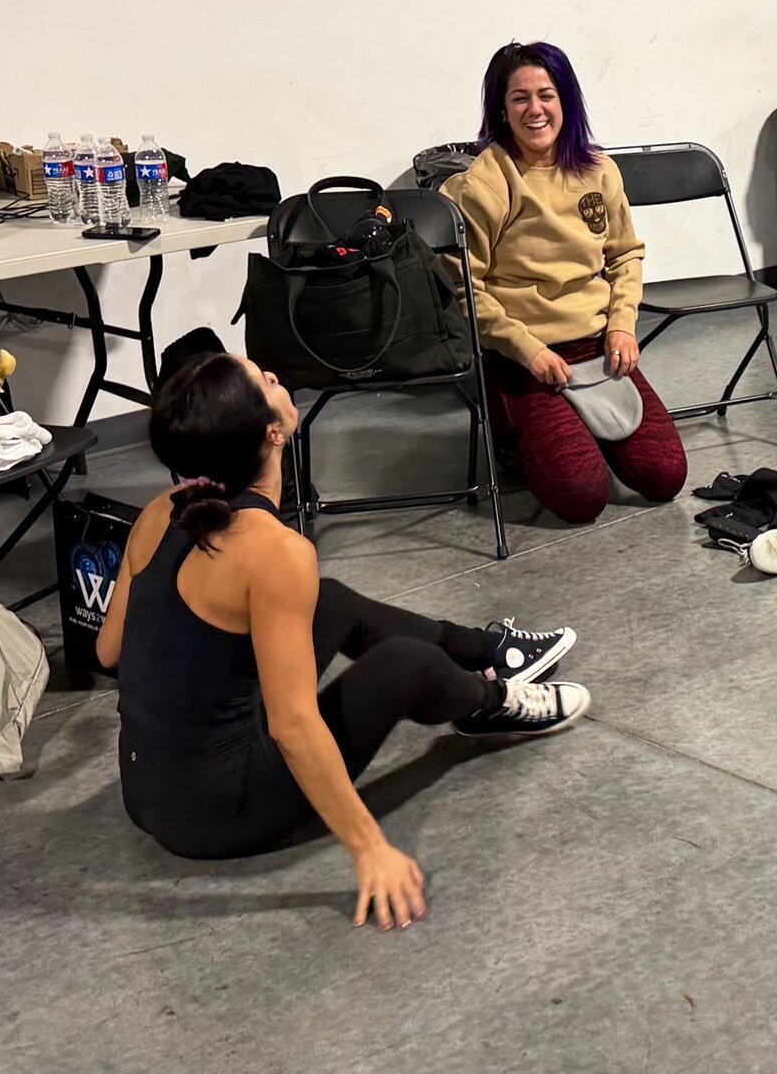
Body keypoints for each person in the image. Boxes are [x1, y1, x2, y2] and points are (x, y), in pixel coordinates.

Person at [98, 351, 589, 929]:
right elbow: (292, 725)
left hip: (145, 791)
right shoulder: (274, 551)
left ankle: (488, 653)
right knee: (403, 664)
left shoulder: (160, 512)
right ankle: (491, 702)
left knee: (326, 601)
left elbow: (109, 651)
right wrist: (369, 848)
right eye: (265, 380)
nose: (275, 375)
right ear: (271, 433)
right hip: (218, 814)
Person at [445, 41, 688, 525]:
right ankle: (514, 433)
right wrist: (527, 351)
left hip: (598, 347)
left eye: (546, 95)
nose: (535, 109)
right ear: (502, 109)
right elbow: (464, 289)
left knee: (665, 476)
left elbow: (624, 254)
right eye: (519, 98)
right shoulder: (484, 184)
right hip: (527, 357)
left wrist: (622, 326)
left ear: (566, 101)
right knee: (581, 497)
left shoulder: (598, 170)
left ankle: (578, 429)